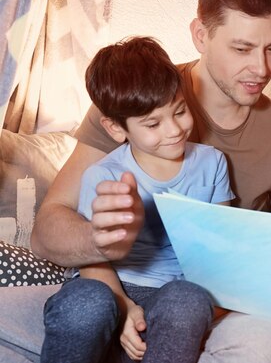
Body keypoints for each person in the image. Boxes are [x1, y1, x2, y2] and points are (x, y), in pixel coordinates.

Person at [0, 0, 271, 363]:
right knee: (63, 311)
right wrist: (114, 290)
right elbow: (50, 229)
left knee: (270, 345)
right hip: (102, 287)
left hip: (203, 305)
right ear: (200, 34)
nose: (262, 68)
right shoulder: (137, 94)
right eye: (242, 48)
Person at [41, 36, 234, 362]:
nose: (174, 130)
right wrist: (122, 304)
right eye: (153, 124)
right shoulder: (104, 175)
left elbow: (219, 243)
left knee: (188, 299)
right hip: (108, 284)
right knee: (86, 303)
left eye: (180, 111)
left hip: (169, 293)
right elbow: (93, 256)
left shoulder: (212, 163)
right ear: (117, 129)